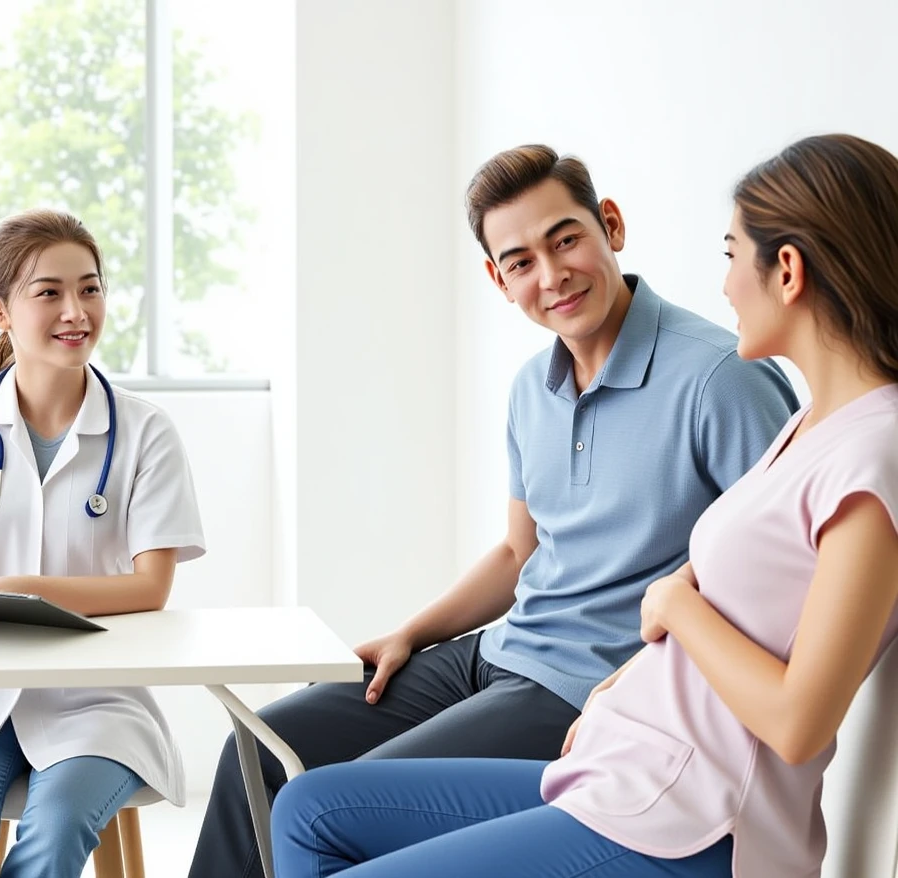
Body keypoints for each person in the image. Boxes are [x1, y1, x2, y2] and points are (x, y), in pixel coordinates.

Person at [269, 132, 898, 878]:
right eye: (519, 261)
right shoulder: (811, 427)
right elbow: (700, 573)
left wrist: (673, 607)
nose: (725, 283)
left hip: (685, 818)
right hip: (622, 759)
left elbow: (797, 720)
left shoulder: (862, 450)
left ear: (785, 270)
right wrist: (624, 686)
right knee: (305, 809)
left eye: (732, 254)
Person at [0, 209, 206, 878]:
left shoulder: (145, 432)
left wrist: (21, 591)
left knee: (51, 843)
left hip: (96, 701)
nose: (76, 310)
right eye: (49, 292)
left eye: (90, 288)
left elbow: (151, 587)